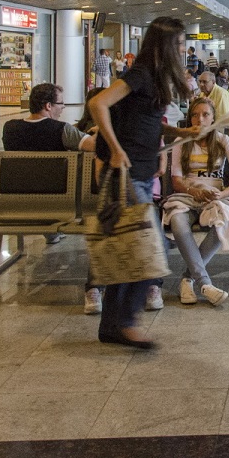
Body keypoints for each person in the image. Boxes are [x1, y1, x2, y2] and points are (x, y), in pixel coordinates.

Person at [89, 17, 197, 350]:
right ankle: (126, 322)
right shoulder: (140, 74)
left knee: (132, 247)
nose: (183, 49)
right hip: (127, 174)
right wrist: (118, 151)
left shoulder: (154, 77)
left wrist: (179, 133)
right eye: (180, 44)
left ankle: (113, 325)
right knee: (146, 249)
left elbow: (144, 123)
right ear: (166, 45)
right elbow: (98, 104)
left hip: (138, 172)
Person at [2, 83, 98, 310]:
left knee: (37, 185)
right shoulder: (61, 130)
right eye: (61, 104)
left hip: (15, 205)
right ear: (48, 106)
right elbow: (94, 146)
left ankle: (50, 234)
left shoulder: (9, 128)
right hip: (61, 206)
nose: (63, 109)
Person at [166, 96, 229, 307]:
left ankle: (189, 279)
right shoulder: (181, 142)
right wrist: (193, 191)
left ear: (213, 118)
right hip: (187, 196)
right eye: (195, 115)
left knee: (224, 221)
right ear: (189, 119)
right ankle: (204, 283)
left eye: (205, 115)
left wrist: (222, 195)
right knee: (178, 224)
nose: (200, 120)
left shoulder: (223, 141)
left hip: (214, 197)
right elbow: (177, 181)